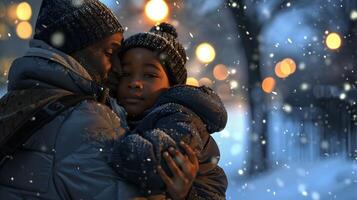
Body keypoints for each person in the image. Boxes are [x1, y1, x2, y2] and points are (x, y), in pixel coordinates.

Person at [0, 0, 140, 199]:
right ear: (73, 50)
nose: (118, 68)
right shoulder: (85, 119)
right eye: (110, 53)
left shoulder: (15, 101)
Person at [110, 22, 228, 200]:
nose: (134, 82)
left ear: (172, 85)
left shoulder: (178, 115)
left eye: (149, 75)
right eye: (126, 73)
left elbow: (151, 161)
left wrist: (109, 142)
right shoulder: (131, 115)